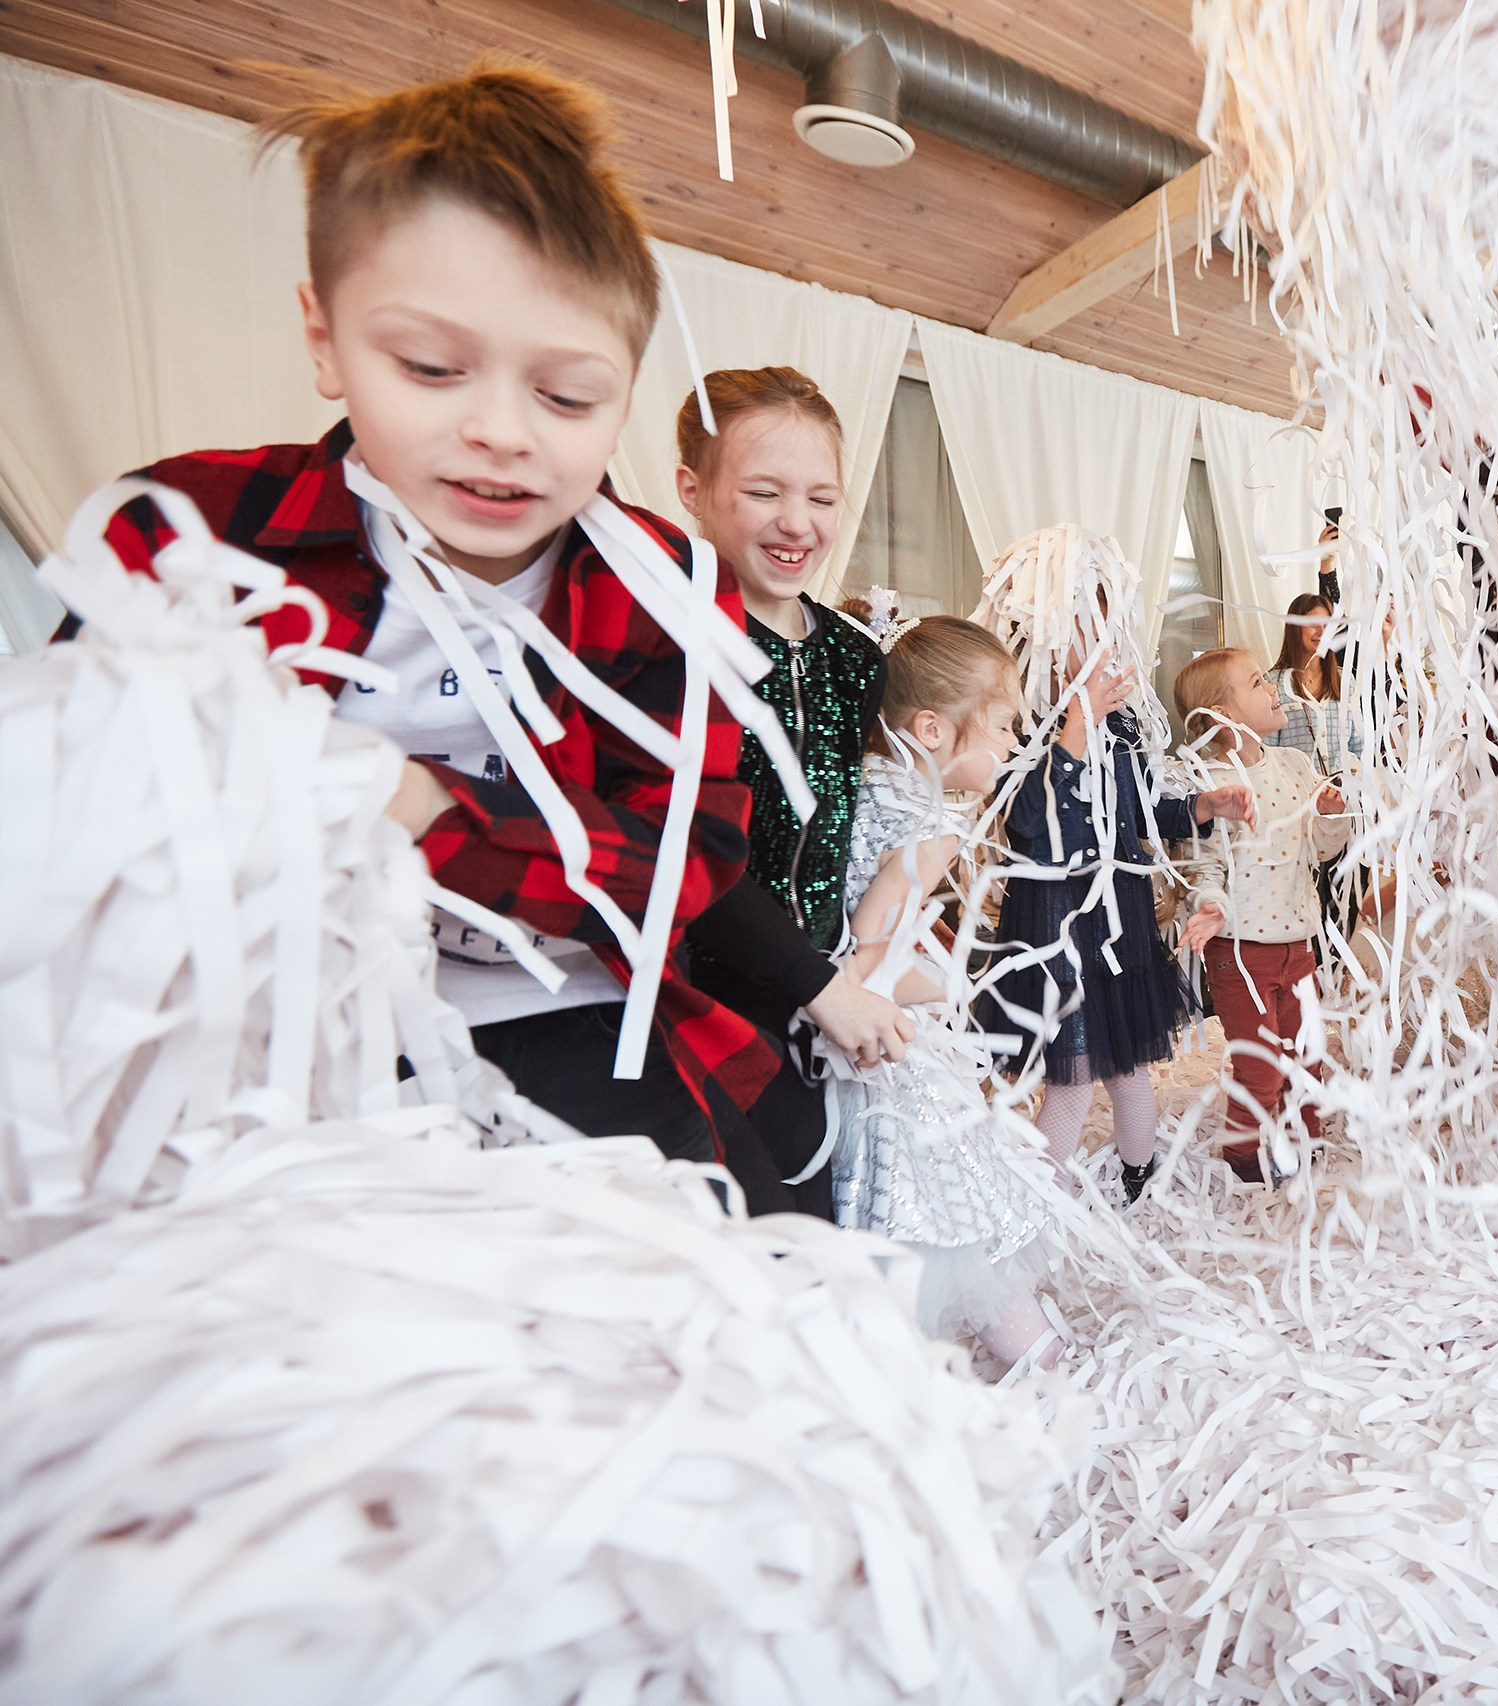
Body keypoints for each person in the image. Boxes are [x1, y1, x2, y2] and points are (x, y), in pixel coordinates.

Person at [85, 68, 807, 1202]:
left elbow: (687, 861)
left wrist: (418, 807)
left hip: (567, 1009)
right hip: (276, 1032)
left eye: (568, 396)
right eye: (430, 368)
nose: (499, 432)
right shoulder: (187, 533)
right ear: (325, 341)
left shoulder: (669, 584)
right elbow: (80, 828)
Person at [673, 367, 906, 1217]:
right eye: (764, 492)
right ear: (693, 490)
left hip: (821, 981)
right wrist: (818, 983)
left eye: (823, 498)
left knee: (826, 1199)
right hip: (703, 987)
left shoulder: (855, 659)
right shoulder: (674, 640)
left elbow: (849, 832)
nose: (797, 524)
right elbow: (690, 852)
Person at [974, 530, 1254, 1204]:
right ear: (1037, 636)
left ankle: (1139, 1179)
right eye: (1081, 627)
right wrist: (1073, 730)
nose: (1101, 642)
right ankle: (1037, 1209)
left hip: (1121, 919)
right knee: (1070, 1079)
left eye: (1107, 625)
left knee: (1130, 1067)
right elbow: (1032, 826)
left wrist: (1203, 807)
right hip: (1057, 929)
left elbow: (1147, 813)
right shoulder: (1015, 729)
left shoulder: (1125, 727)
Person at [821, 616, 1058, 1370]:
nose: (1014, 743)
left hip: (847, 1045)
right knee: (956, 1216)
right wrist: (955, 985)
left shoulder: (866, 787)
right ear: (931, 729)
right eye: (1002, 725)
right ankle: (1038, 1375)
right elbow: (873, 952)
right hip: (894, 1050)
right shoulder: (931, 820)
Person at [1172, 648, 1356, 1183]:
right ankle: (1244, 1166)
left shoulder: (1296, 766)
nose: (1273, 686)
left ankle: (1305, 1152)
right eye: (1256, 682)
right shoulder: (1207, 786)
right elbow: (1203, 868)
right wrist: (1209, 908)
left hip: (1299, 946)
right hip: (1240, 953)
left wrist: (1331, 815)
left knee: (1307, 1060)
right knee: (1260, 1070)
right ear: (1223, 714)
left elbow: (1318, 851)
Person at [1268, 592, 1364, 778]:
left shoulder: (1345, 681)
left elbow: (1358, 745)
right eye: (1313, 624)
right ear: (1295, 628)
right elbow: (1267, 751)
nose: (1321, 631)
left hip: (1345, 793)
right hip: (1298, 794)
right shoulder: (1273, 684)